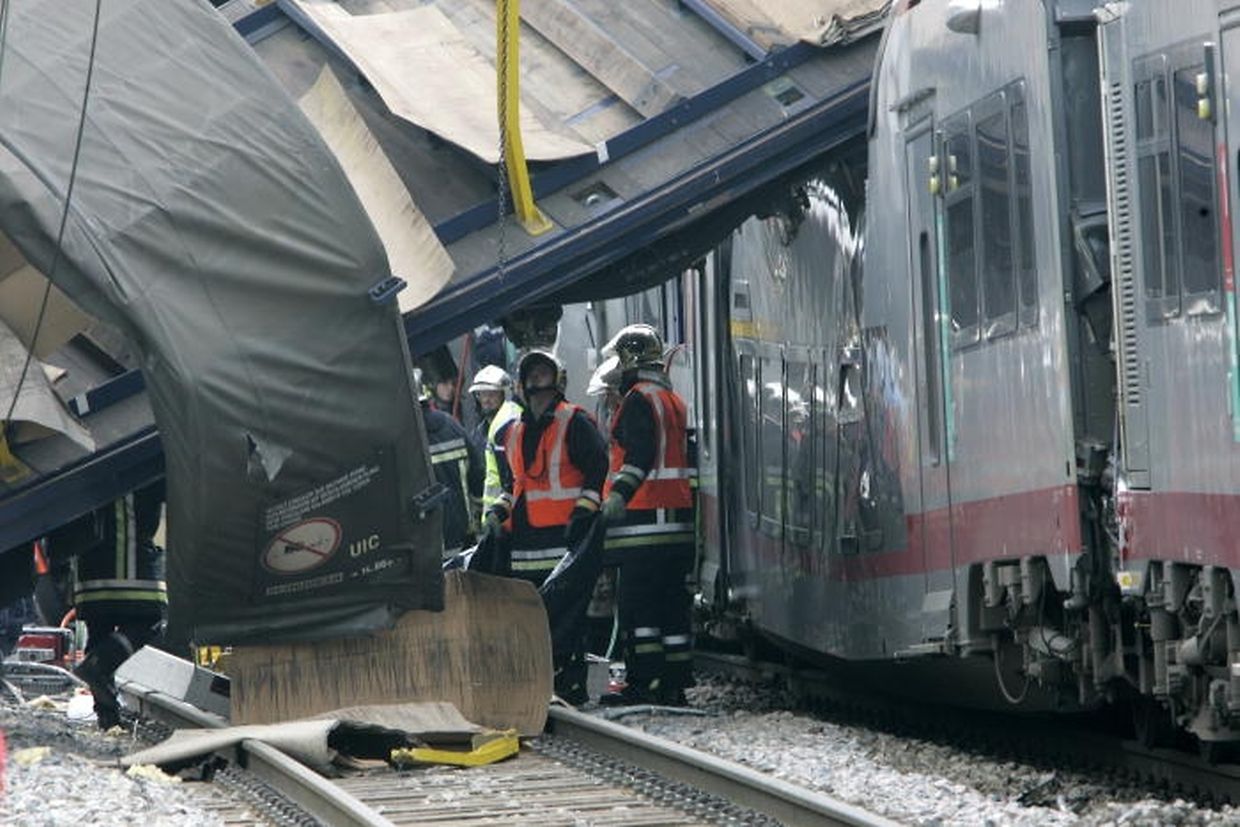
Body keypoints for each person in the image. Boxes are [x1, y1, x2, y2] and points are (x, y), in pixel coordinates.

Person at [482, 350, 607, 704]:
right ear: (520, 388)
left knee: (569, 617)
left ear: (558, 385)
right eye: (532, 383)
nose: (538, 392)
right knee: (531, 617)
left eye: (544, 383)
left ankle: (570, 683)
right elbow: (517, 484)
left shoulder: (575, 422)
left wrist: (583, 513)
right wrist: (498, 513)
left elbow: (599, 471)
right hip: (525, 546)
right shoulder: (515, 432)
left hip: (565, 542)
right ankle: (539, 683)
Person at [597, 324, 696, 706]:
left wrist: (618, 496)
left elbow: (639, 455)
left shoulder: (637, 400)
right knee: (672, 609)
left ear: (629, 361)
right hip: (678, 525)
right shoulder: (672, 400)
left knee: (639, 610)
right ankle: (674, 684)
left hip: (642, 527)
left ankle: (644, 682)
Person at [70, 481, 168, 730]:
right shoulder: (144, 463)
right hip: (131, 564)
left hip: (89, 567)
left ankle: (107, 716)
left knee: (99, 632)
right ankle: (98, 665)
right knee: (151, 622)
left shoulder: (89, 458)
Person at [416, 369, 484, 558]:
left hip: (430, 541)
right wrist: (477, 519)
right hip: (465, 534)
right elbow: (478, 473)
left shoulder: (405, 439)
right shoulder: (452, 425)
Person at [468, 366, 523, 524]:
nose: (485, 400)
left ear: (504, 394)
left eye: (491, 393)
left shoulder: (513, 423)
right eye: (481, 394)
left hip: (509, 515)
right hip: (492, 517)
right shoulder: (478, 433)